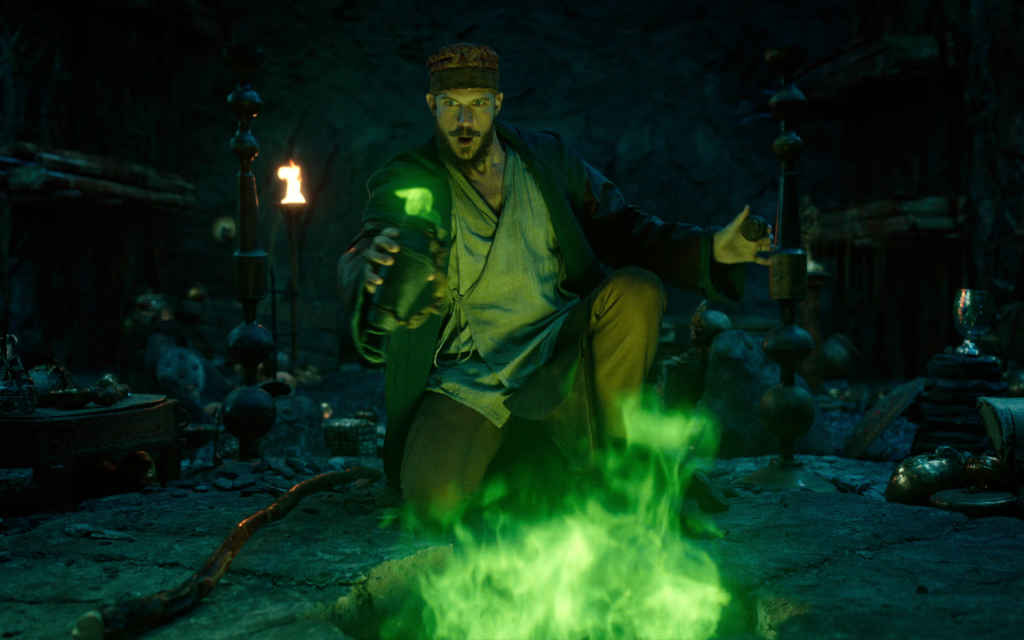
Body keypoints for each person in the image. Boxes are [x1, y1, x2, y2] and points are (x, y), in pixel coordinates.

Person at [338, 43, 770, 524]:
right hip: (470, 373)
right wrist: (373, 268)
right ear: (431, 106)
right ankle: (533, 466)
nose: (465, 120)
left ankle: (616, 462)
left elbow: (625, 227)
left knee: (636, 291)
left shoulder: (547, 160)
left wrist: (713, 248)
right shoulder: (410, 177)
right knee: (434, 504)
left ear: (497, 104)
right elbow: (379, 236)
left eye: (477, 104)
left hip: (559, 348)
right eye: (451, 105)